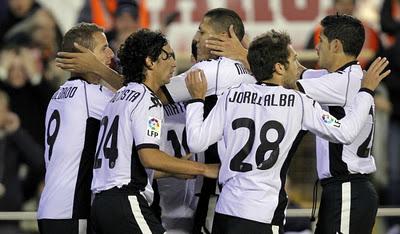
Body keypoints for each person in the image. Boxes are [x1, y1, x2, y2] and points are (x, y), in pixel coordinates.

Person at [183, 30, 389, 234]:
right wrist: (367, 91)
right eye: (294, 60)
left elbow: (196, 142)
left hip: (226, 210)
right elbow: (345, 133)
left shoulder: (231, 96)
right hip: (262, 213)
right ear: (279, 67)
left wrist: (196, 100)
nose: (299, 66)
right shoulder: (299, 102)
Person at [90, 29, 218, 234]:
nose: (174, 64)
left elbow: (127, 165)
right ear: (150, 61)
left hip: (101, 203)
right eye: (167, 56)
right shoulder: (147, 100)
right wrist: (203, 169)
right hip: (126, 200)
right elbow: (149, 157)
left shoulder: (119, 97)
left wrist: (176, 169)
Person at [295, 14, 380, 234]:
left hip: (348, 189)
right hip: (345, 190)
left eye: (320, 41)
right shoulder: (341, 77)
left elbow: (288, 84)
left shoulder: (343, 81)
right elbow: (296, 74)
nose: (316, 47)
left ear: (335, 45)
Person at [37, 22, 115, 234]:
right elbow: (138, 97)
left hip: (49, 208)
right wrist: (100, 69)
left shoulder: (58, 94)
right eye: (104, 48)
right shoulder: (90, 95)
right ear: (84, 56)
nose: (111, 53)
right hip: (71, 210)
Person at [0, 90, 43, 234]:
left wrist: (17, 131)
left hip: (9, 220)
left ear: (7, 111)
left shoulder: (14, 139)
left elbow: (39, 163)